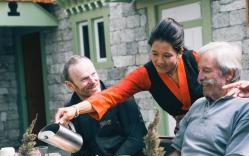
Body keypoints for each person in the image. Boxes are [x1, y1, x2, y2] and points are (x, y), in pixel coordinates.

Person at [55, 18, 202, 130]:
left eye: (167, 55)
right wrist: (75, 109)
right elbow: (112, 94)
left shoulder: (196, 60)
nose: (159, 61)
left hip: (215, 125)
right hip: (185, 132)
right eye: (154, 53)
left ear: (180, 52)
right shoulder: (146, 74)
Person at [163, 42, 249, 156]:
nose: (199, 78)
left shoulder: (248, 108)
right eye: (199, 70)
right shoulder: (198, 105)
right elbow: (176, 151)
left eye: (206, 71)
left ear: (229, 74)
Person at [62, 55, 147, 156]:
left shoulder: (120, 97)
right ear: (70, 85)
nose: (93, 81)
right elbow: (80, 150)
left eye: (93, 74)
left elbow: (137, 137)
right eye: (84, 79)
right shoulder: (71, 108)